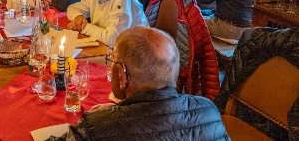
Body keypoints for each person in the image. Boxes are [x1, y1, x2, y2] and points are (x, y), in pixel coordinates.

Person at [50, 27, 229, 141]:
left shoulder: (97, 128)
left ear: (121, 76)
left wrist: (103, 120)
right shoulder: (207, 110)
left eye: (113, 63)